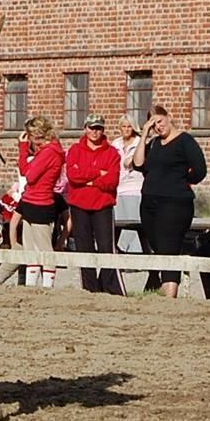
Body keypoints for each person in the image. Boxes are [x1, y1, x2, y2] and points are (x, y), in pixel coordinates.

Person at [133, 103, 207, 298]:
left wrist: (182, 181)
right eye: (153, 125)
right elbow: (138, 164)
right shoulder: (154, 144)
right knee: (157, 244)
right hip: (150, 201)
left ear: (168, 118)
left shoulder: (184, 141)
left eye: (160, 121)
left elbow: (200, 170)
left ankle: (170, 292)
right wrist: (144, 136)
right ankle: (165, 286)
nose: (158, 127)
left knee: (169, 245)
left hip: (174, 202)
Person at [66, 112, 126, 296]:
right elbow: (73, 176)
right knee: (84, 247)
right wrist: (98, 173)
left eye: (98, 128)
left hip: (103, 205)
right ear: (85, 129)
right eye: (91, 128)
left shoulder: (112, 153)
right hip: (79, 205)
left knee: (106, 247)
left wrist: (89, 178)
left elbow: (112, 180)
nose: (95, 132)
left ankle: (108, 287)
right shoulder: (75, 150)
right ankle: (89, 288)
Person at [16, 115, 65, 287]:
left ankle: (47, 286)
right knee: (30, 249)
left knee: (44, 249)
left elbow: (29, 175)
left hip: (41, 202)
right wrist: (23, 149)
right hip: (31, 201)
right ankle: (31, 286)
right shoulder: (43, 152)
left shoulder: (50, 152)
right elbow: (24, 171)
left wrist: (25, 151)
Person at [112, 114, 144, 255]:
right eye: (123, 126)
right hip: (119, 187)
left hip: (135, 187)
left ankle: (136, 252)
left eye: (129, 126)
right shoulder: (116, 144)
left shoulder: (139, 143)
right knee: (120, 223)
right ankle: (122, 250)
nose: (126, 129)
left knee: (134, 222)